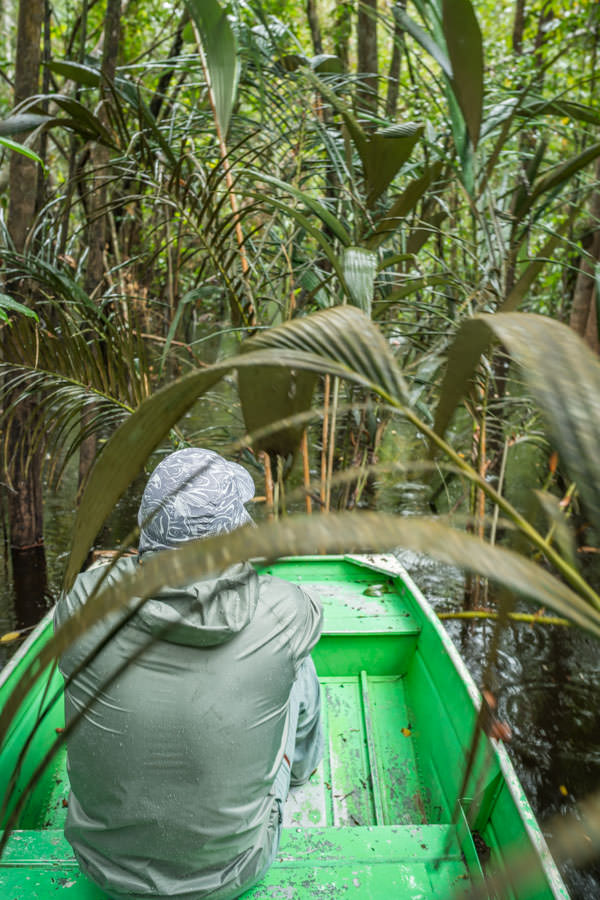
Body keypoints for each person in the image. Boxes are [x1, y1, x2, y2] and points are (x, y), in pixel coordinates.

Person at [55, 448, 323, 900]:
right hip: (234, 872)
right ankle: (299, 772)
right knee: (299, 666)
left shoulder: (83, 601)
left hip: (103, 869)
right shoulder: (285, 611)